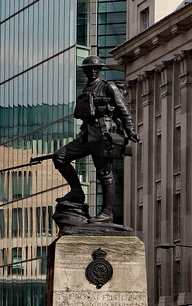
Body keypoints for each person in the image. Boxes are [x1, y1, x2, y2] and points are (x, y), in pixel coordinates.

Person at [52, 55, 138, 224]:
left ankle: (107, 213)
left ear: (99, 70)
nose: (92, 71)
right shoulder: (86, 89)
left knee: (104, 173)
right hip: (87, 135)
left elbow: (124, 110)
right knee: (59, 156)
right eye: (89, 69)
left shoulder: (108, 87)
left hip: (103, 134)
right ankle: (77, 192)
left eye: (95, 69)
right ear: (85, 72)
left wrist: (130, 130)